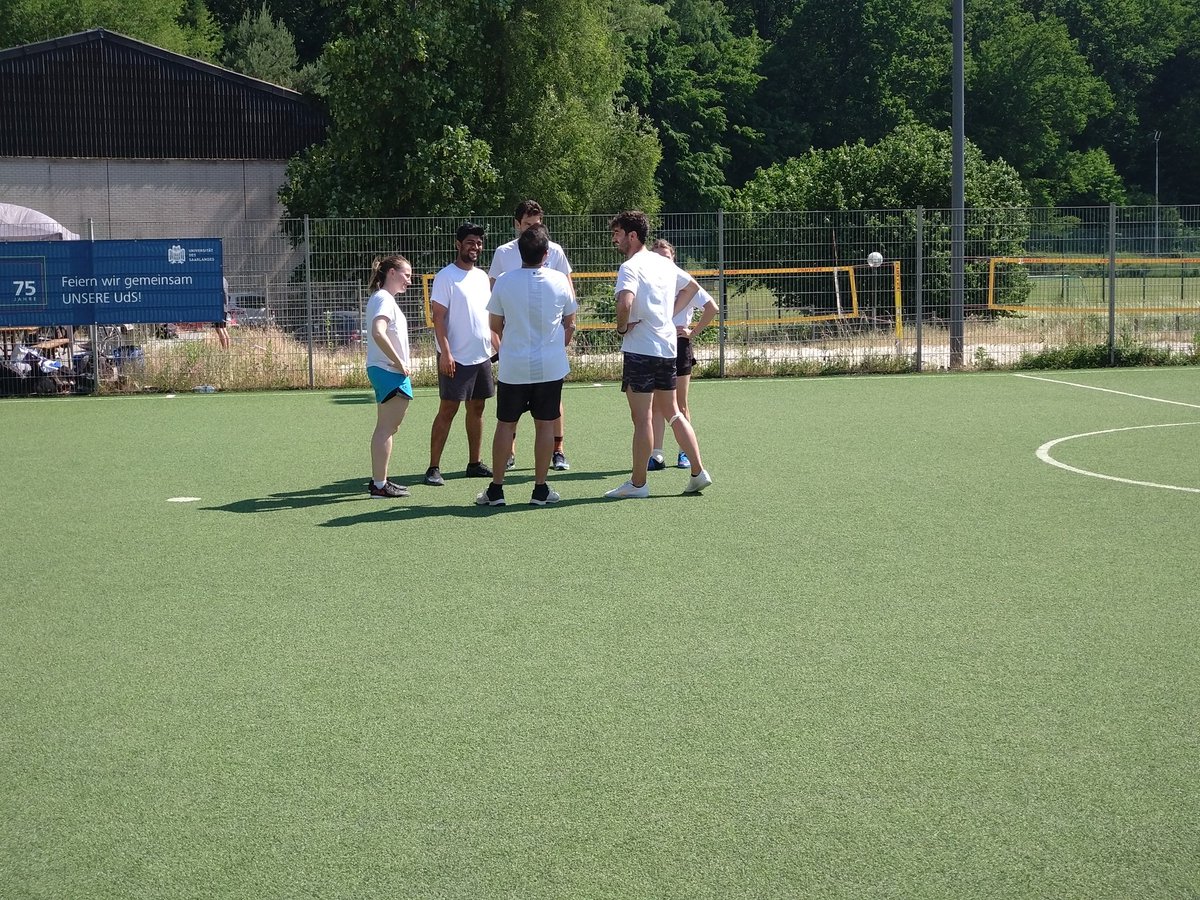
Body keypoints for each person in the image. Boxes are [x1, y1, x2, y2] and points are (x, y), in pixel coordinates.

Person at [605, 210, 713, 499]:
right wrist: (667, 315)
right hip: (667, 350)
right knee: (673, 412)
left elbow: (625, 302)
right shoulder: (663, 264)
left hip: (640, 350)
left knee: (642, 419)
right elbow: (693, 288)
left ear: (632, 235)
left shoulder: (630, 267)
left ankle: (638, 484)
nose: (613, 239)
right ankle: (698, 471)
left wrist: (620, 328)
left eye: (617, 233)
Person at [476, 224, 577, 507]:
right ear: (547, 253)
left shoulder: (505, 281)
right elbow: (570, 323)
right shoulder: (560, 282)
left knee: (505, 425)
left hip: (514, 367)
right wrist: (558, 345)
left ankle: (496, 490)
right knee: (545, 426)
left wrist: (506, 349)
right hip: (550, 367)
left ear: (519, 251)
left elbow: (494, 327)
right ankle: (540, 489)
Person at [488, 199, 575, 472]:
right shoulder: (504, 254)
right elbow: (495, 311)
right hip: (518, 353)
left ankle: (556, 452)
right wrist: (502, 346)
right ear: (517, 224)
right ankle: (526, 473)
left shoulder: (555, 253)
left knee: (546, 415)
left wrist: (559, 344)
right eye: (528, 224)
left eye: (537, 224)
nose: (533, 229)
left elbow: (569, 308)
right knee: (511, 418)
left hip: (540, 352)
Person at [425, 222, 498, 486]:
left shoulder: (481, 277)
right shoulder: (446, 276)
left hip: (481, 356)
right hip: (454, 357)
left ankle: (474, 463)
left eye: (478, 243)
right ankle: (433, 467)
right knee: (448, 409)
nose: (475, 247)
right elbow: (438, 318)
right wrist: (446, 353)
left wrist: (495, 343)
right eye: (470, 242)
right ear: (458, 244)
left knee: (477, 408)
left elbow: (488, 315)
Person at [646, 238, 719, 471]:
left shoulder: (683, 280)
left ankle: (684, 453)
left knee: (680, 403)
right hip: (655, 345)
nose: (661, 261)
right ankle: (656, 455)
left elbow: (712, 308)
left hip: (679, 345)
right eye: (656, 256)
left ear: (673, 258)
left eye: (665, 257)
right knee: (656, 404)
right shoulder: (649, 279)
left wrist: (693, 332)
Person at [365, 255, 415, 499]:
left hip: (383, 369)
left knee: (386, 427)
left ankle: (380, 480)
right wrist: (399, 362)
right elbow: (378, 332)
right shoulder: (384, 298)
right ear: (392, 273)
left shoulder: (381, 299)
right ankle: (379, 485)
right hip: (388, 370)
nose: (410, 280)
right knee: (386, 428)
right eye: (406, 275)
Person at [213, 277, 231, 349]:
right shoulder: (224, 279)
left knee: (218, 328)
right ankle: (228, 349)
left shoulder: (217, 279)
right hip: (225, 306)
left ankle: (224, 348)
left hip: (218, 307)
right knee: (223, 328)